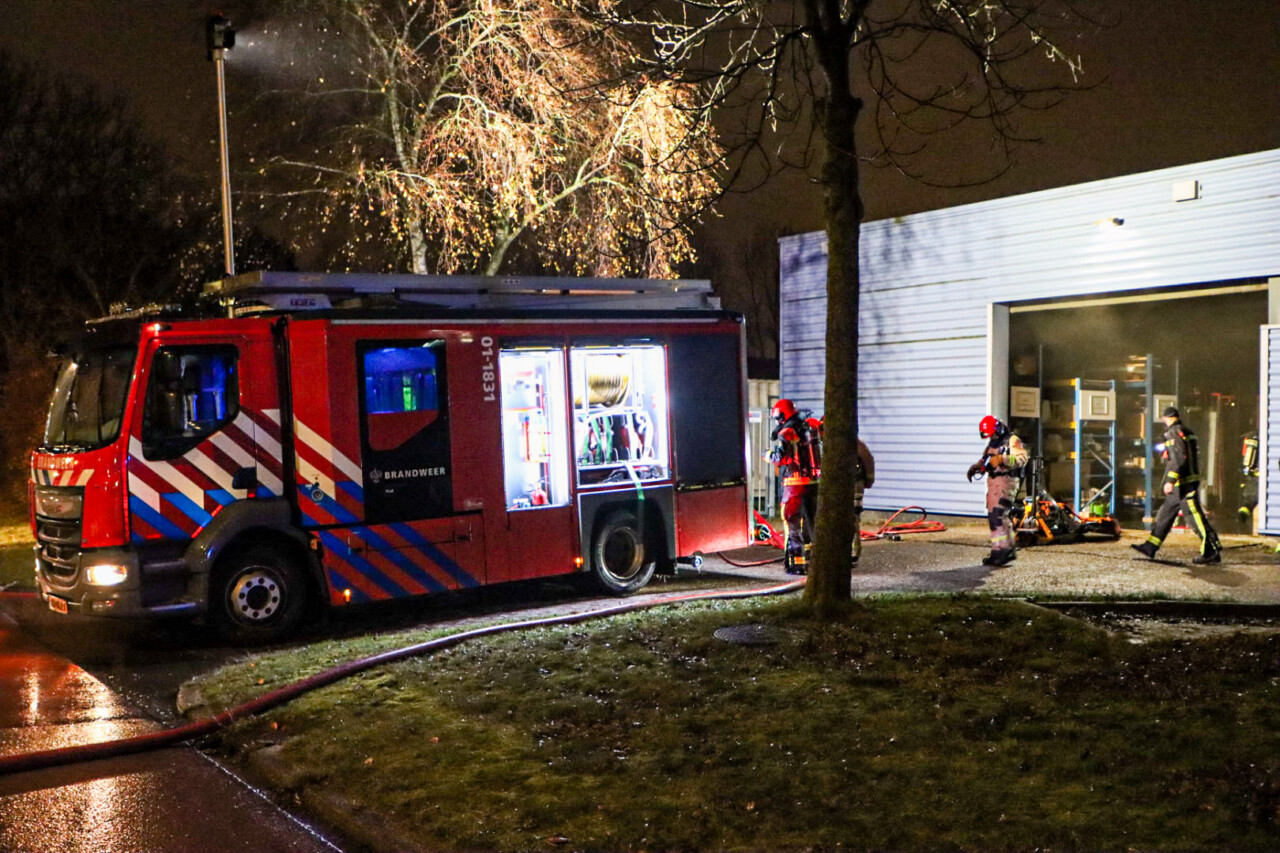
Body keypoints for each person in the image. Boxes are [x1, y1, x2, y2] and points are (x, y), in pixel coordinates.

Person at [1132, 406, 1221, 564]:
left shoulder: (1172, 432)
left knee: (1195, 518)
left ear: (1168, 418)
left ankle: (1211, 549)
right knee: (1165, 515)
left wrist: (1170, 480)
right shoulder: (1188, 431)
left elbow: (1178, 458)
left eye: (1164, 419)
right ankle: (1151, 546)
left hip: (1183, 484)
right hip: (1185, 482)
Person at [966, 415, 1029, 566]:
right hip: (994, 483)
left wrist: (1002, 460)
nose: (991, 437)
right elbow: (986, 460)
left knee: (1000, 515)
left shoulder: (1012, 441)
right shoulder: (993, 442)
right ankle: (997, 550)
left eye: (993, 433)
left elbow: (1022, 459)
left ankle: (1006, 549)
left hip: (1006, 481)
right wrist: (976, 467)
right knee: (994, 517)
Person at [770, 399, 819, 575]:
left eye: (778, 418)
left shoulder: (788, 432)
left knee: (792, 524)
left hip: (795, 485)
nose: (777, 422)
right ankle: (814, 563)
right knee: (810, 526)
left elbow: (784, 458)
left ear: (783, 415)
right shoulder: (807, 428)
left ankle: (796, 564)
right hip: (813, 485)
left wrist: (768, 455)